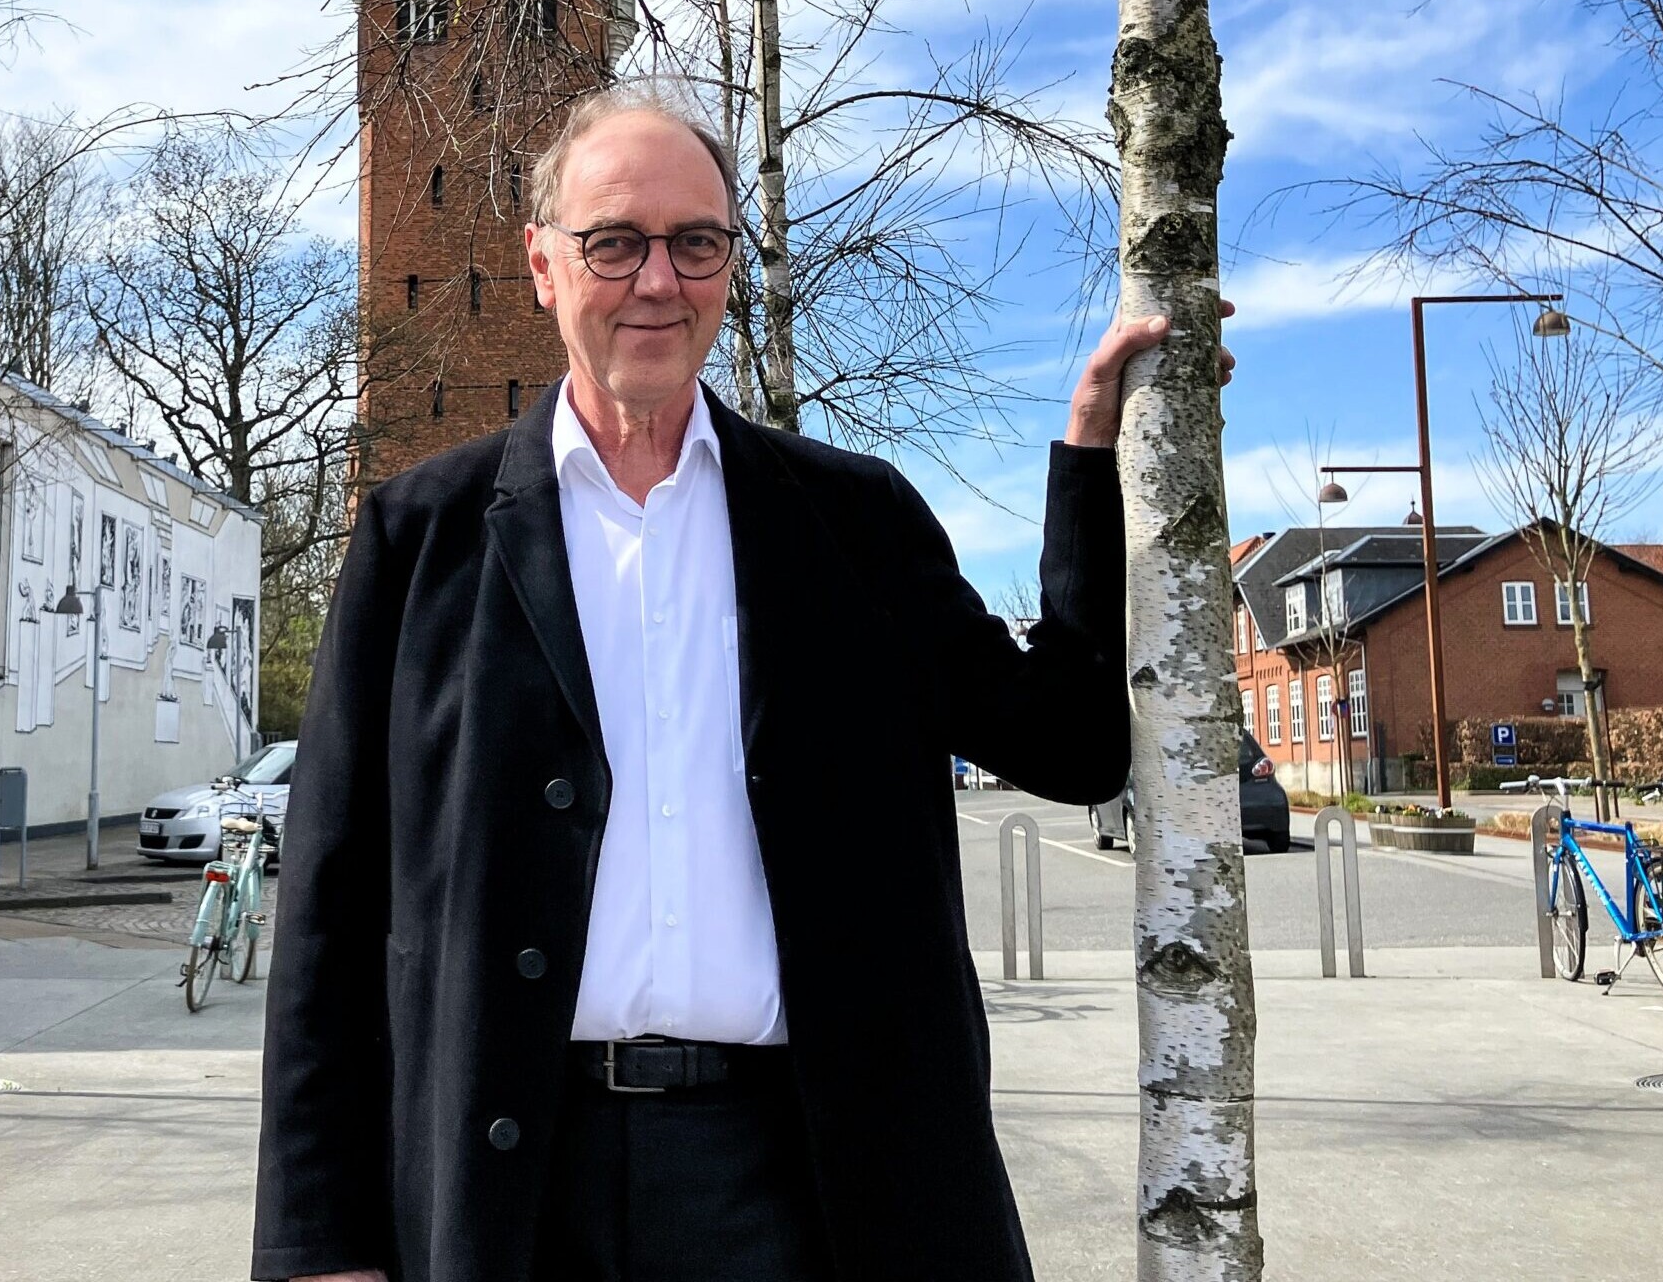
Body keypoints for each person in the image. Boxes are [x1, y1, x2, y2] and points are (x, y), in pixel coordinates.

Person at [252, 84, 1233, 1282]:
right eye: (613, 241)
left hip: (806, 1185)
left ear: (728, 264)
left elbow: (1072, 746)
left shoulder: (850, 521)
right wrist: (318, 1242)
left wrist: (1086, 458)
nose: (656, 279)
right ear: (543, 266)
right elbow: (330, 913)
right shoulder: (421, 538)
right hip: (502, 1187)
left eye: (695, 242)